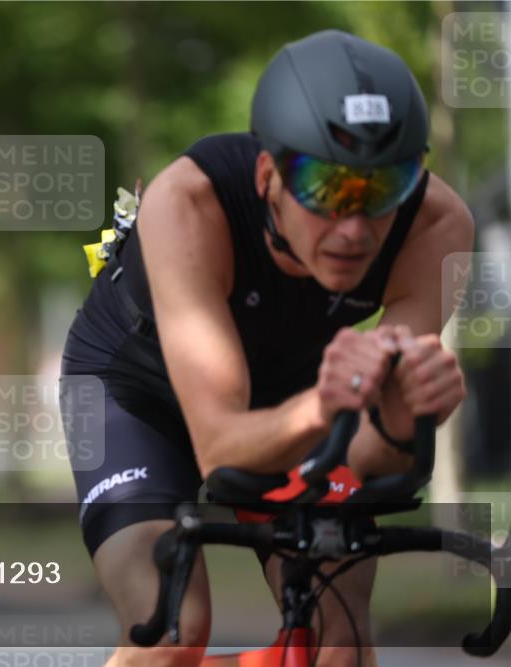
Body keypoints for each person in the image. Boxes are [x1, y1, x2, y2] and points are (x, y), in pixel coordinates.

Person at [60, 30, 473, 667]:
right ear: (268, 176)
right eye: (327, 188)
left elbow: (372, 457)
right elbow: (221, 446)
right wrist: (325, 407)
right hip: (135, 389)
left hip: (292, 388)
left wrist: (405, 412)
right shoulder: (191, 204)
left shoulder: (435, 227)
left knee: (341, 638)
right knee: (170, 627)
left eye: (383, 188)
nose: (354, 229)